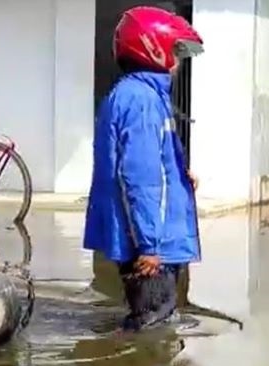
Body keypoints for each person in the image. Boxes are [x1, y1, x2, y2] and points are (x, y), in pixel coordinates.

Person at [83, 6, 205, 331]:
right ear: (153, 49)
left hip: (147, 235)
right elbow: (140, 178)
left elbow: (151, 162)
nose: (178, 63)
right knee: (153, 327)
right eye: (174, 52)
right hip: (152, 244)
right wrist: (149, 246)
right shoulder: (142, 101)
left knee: (153, 318)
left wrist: (180, 176)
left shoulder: (137, 95)